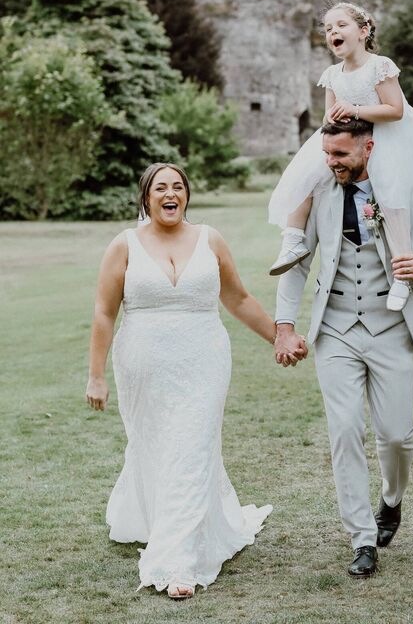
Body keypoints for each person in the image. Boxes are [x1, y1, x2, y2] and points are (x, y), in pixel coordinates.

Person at [85, 162, 307, 600]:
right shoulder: (124, 244)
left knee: (192, 447)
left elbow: (238, 298)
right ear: (146, 197)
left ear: (187, 194)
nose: (170, 194)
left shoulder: (210, 239)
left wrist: (278, 337)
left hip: (203, 361)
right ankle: (156, 519)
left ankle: (178, 562)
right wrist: (95, 375)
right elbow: (104, 313)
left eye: (178, 187)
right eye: (160, 188)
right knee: (156, 445)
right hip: (143, 366)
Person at [274, 118, 413, 578]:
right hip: (335, 328)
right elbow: (296, 264)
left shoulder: (405, 185)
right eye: (326, 154)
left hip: (392, 324)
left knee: (396, 436)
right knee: (345, 431)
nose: (330, 163)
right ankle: (362, 538)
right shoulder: (318, 191)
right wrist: (284, 326)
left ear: (368, 147)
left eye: (340, 155)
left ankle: (391, 500)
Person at [268, 1, 413, 312]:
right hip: (349, 137)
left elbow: (395, 109)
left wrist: (354, 109)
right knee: (304, 178)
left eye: (341, 25)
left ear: (364, 31)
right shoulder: (332, 74)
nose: (333, 32)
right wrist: (334, 117)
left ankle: (402, 273)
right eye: (328, 29)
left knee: (392, 196)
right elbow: (328, 117)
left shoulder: (379, 66)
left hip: (387, 137)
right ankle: (293, 240)